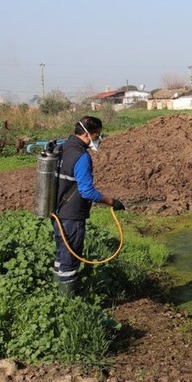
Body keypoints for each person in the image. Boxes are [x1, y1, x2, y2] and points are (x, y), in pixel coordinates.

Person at [52, 115, 125, 296]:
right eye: (97, 136)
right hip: (72, 215)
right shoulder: (82, 157)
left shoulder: (63, 148)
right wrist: (111, 201)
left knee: (61, 254)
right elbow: (87, 191)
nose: (98, 140)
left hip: (57, 212)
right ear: (87, 134)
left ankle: (56, 292)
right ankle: (67, 300)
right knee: (70, 258)